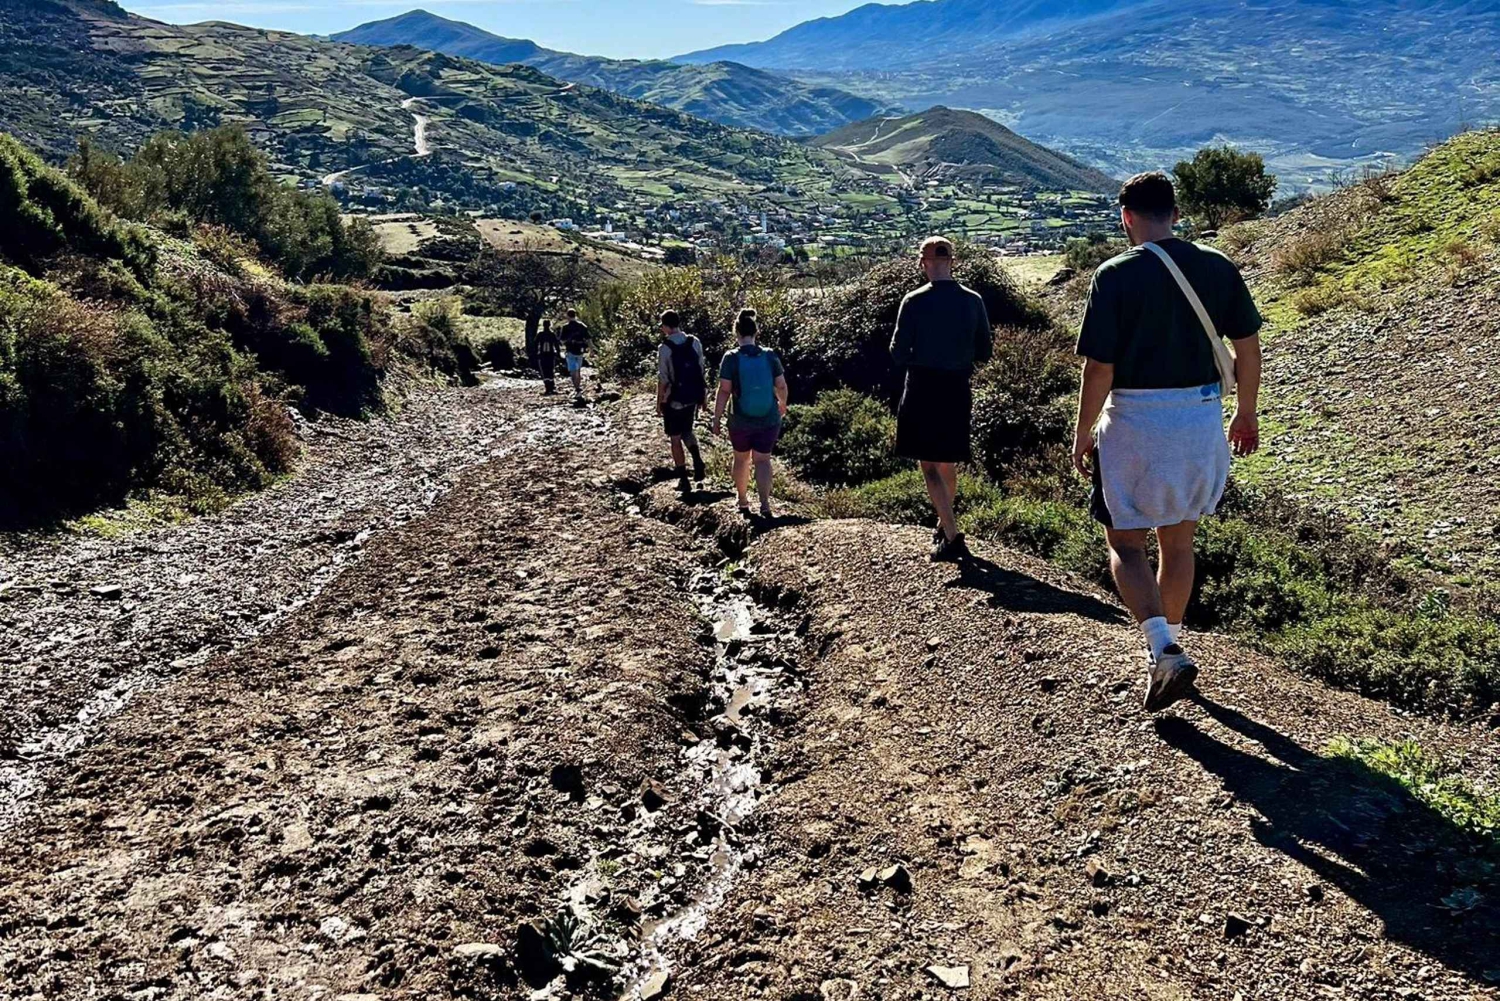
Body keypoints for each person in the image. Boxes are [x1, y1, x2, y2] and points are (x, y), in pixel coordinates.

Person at [1072, 170, 1263, 713]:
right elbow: (1247, 349)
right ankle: (1173, 644)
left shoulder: (1114, 275)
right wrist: (1245, 414)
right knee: (1179, 544)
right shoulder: (1218, 266)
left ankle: (1162, 648)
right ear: (1176, 214)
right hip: (1200, 419)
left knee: (1124, 543)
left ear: (1126, 217)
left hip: (1134, 423)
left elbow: (1100, 367)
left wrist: (1083, 431)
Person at [889, 236, 992, 561]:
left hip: (922, 385)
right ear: (952, 261)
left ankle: (951, 535)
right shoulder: (973, 300)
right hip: (957, 386)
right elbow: (985, 351)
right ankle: (944, 521)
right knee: (947, 460)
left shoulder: (914, 301)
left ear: (923, 263)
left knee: (929, 465)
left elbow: (897, 352)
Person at [712, 309, 788, 519]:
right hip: (768, 418)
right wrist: (782, 404)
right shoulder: (770, 355)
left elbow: (724, 391)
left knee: (741, 459)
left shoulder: (731, 358)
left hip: (740, 420)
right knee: (763, 460)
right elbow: (781, 385)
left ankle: (743, 500)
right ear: (757, 332)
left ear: (736, 332)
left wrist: (717, 418)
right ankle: (765, 505)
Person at [655, 310, 708, 492]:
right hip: (692, 396)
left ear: (666, 326)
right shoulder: (695, 342)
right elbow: (701, 369)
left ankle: (683, 479)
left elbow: (664, 379)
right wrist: (703, 396)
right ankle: (697, 460)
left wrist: (659, 402)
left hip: (674, 399)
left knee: (675, 438)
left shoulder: (665, 348)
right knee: (687, 430)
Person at [560, 308, 589, 399]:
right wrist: (591, 349)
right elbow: (588, 338)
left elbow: (562, 340)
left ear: (567, 315)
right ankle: (578, 388)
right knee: (578, 370)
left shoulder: (565, 327)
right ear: (575, 315)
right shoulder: (582, 326)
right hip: (580, 351)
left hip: (570, 350)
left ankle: (577, 389)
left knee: (573, 371)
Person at [536, 319, 560, 395]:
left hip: (543, 355)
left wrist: (535, 353)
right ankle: (551, 387)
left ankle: (548, 387)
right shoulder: (551, 334)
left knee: (545, 371)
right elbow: (556, 345)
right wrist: (558, 354)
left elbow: (535, 344)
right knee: (550, 370)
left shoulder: (540, 334)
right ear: (550, 325)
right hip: (550, 355)